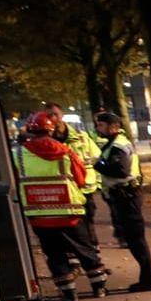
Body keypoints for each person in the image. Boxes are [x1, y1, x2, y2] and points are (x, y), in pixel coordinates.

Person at [15, 111, 109, 301]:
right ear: (50, 131)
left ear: (31, 131)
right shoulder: (66, 151)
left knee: (54, 254)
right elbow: (81, 178)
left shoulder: (18, 154)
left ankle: (69, 292)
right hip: (70, 213)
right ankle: (98, 287)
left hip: (39, 215)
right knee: (84, 249)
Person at [92, 111, 151, 291]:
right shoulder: (114, 144)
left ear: (113, 127)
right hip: (124, 195)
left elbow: (120, 170)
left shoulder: (118, 146)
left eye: (101, 125)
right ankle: (147, 279)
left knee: (136, 240)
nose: (98, 129)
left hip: (127, 196)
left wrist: (97, 164)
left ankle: (148, 280)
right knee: (134, 239)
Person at [43, 103, 106, 252]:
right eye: (48, 115)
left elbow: (97, 159)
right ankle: (76, 254)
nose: (52, 118)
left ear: (62, 115)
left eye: (55, 114)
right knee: (69, 225)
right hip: (62, 191)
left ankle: (93, 251)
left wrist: (97, 183)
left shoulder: (81, 137)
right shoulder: (45, 141)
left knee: (88, 221)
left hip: (83, 188)